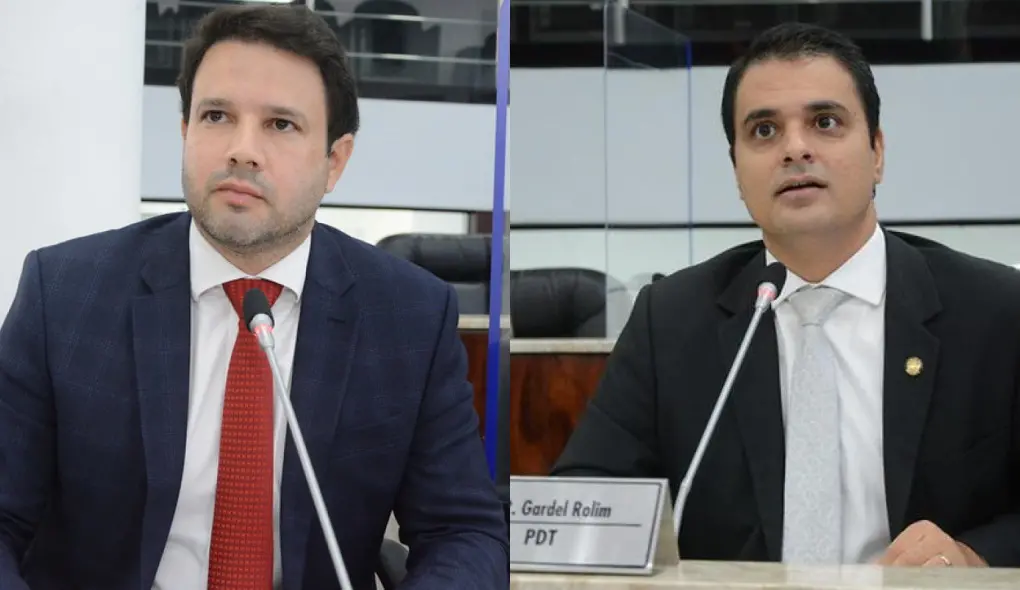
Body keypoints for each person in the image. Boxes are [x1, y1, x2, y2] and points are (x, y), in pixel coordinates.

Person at [0, 5, 507, 589]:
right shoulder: (65, 293)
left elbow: (463, 531)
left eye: (280, 125)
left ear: (334, 161)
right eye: (216, 116)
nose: (242, 150)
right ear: (185, 132)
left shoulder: (409, 317)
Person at [552, 22, 1020, 569]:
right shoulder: (671, 321)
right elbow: (586, 500)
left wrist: (973, 557)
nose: (795, 149)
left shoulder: (996, 311)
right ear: (737, 171)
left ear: (877, 152)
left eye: (825, 122)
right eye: (764, 131)